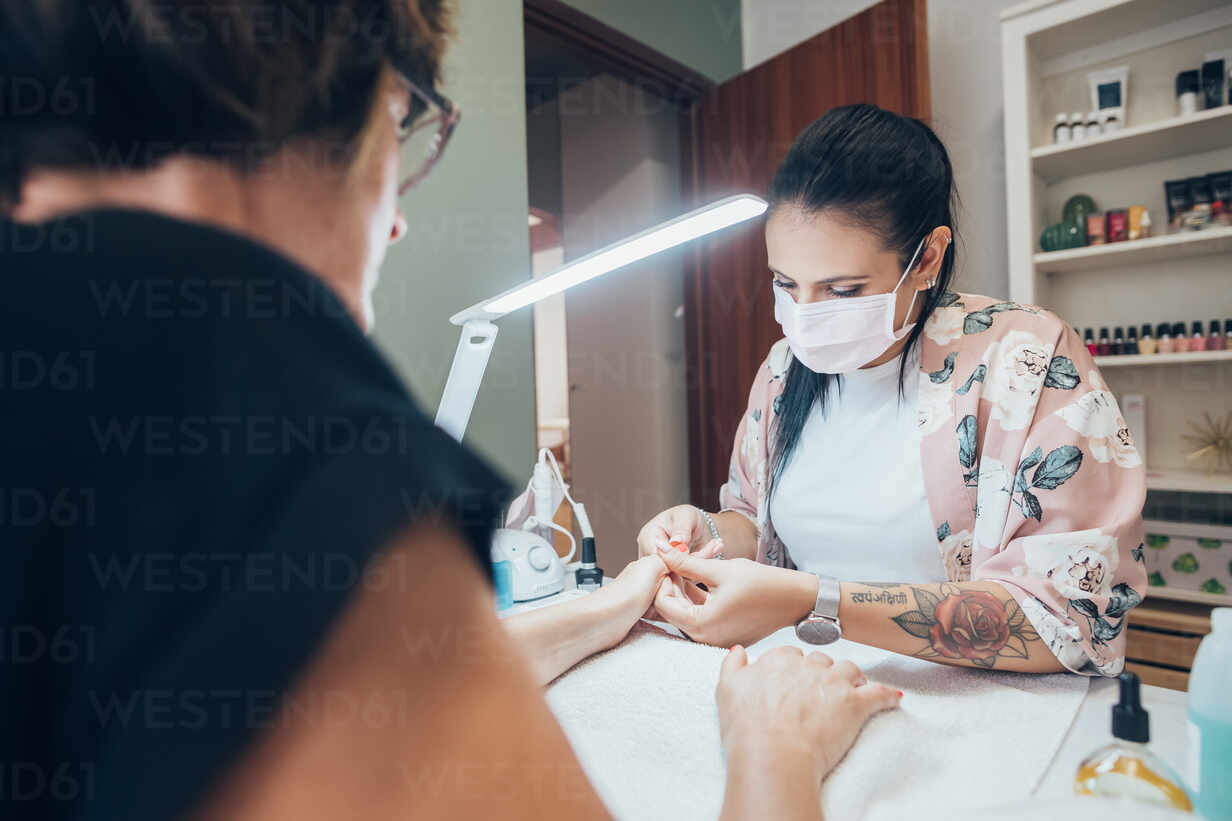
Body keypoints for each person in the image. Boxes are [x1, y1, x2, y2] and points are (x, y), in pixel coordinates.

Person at [1, 3, 898, 819]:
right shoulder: (250, 394)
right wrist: (775, 745)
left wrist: (609, 607)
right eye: (406, 125)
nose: (394, 223)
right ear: (365, 97)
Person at [639, 105, 1147, 677]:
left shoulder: (1027, 359)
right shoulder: (783, 371)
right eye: (785, 284)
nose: (804, 317)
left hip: (979, 703)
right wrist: (703, 532)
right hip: (800, 686)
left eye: (844, 290)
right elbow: (755, 524)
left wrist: (817, 602)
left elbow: (1068, 622)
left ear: (927, 257)